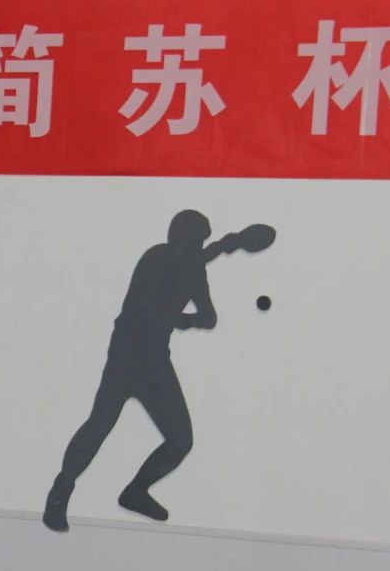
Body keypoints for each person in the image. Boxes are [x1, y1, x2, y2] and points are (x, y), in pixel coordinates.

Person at [44, 210, 261, 529]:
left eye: (198, 242)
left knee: (180, 441)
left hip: (155, 360)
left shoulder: (194, 269)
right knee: (100, 423)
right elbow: (153, 309)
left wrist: (225, 249)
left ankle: (135, 491)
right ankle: (60, 492)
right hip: (127, 354)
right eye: (193, 240)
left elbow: (209, 317)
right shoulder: (157, 257)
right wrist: (226, 247)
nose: (195, 246)